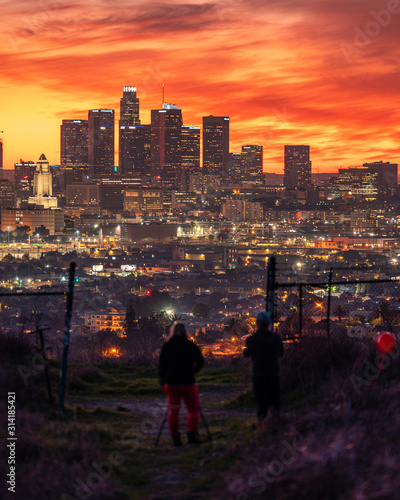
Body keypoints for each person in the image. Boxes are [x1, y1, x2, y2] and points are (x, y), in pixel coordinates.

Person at [158, 321, 204, 446]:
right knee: (193, 410)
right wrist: (192, 372)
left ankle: (176, 439)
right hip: (187, 382)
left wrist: (162, 381)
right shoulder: (190, 345)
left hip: (171, 383)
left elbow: (161, 366)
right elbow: (200, 362)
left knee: (173, 411)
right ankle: (191, 436)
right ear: (186, 332)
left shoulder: (167, 346)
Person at [243, 311, 284, 423]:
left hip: (258, 373)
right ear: (269, 324)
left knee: (261, 401)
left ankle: (262, 425)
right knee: (275, 400)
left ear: (257, 324)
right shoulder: (276, 338)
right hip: (273, 372)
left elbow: (247, 354)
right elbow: (281, 354)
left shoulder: (251, 340)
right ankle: (276, 423)